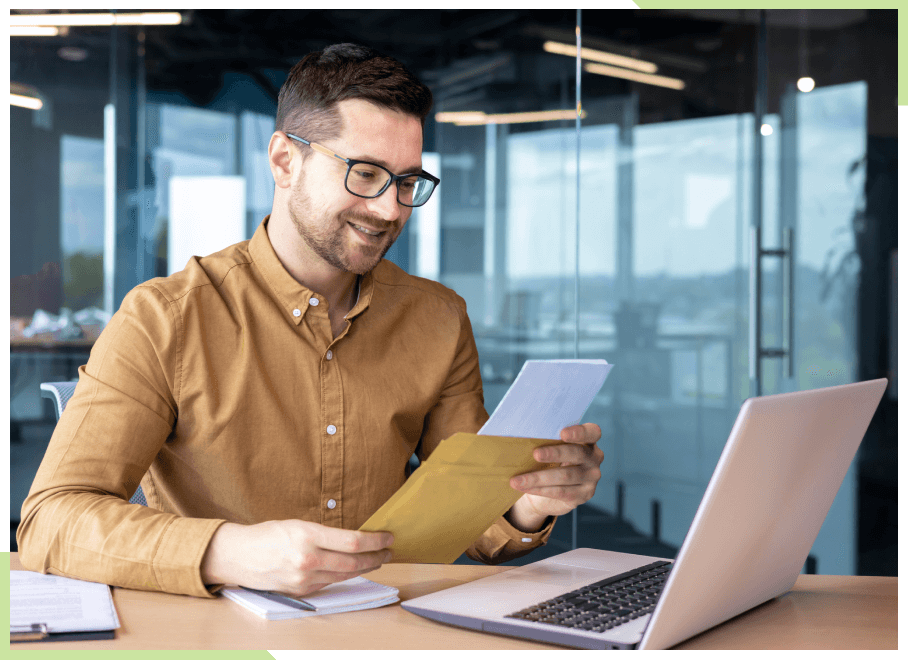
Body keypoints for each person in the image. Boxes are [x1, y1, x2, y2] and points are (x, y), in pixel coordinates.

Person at [18, 43, 603, 599]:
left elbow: (468, 511)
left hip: (382, 626)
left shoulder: (438, 318)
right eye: (366, 173)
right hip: (224, 636)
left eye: (406, 182)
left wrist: (530, 502)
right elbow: (51, 518)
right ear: (284, 161)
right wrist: (231, 551)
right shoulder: (165, 317)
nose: (389, 208)